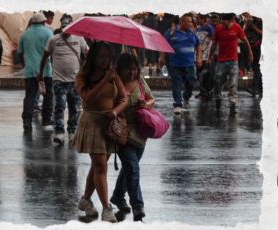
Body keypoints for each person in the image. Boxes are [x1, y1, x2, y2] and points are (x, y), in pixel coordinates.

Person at [73, 41, 127, 223]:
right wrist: (105, 79)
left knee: (97, 166)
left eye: (107, 57)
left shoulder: (113, 75)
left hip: (109, 124)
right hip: (91, 123)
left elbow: (123, 98)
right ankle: (106, 208)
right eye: (100, 56)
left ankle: (85, 200)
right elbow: (87, 98)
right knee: (100, 167)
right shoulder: (83, 75)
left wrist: (116, 111)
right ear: (93, 57)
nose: (104, 60)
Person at [110, 53, 154, 221]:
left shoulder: (140, 82)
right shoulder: (114, 83)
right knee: (133, 168)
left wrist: (146, 104)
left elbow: (151, 99)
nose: (132, 73)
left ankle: (117, 195)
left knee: (129, 167)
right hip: (122, 133)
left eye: (135, 69)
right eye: (128, 70)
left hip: (141, 133)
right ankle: (137, 205)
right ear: (120, 69)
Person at [39, 16, 88, 144]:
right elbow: (44, 57)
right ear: (61, 28)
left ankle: (72, 131)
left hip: (75, 81)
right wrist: (40, 75)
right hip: (59, 80)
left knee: (74, 108)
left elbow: (87, 54)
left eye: (69, 27)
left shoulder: (79, 39)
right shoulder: (53, 40)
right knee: (60, 107)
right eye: (64, 28)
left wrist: (87, 71)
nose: (66, 30)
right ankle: (60, 132)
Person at [208, 13, 253, 114]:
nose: (223, 24)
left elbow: (245, 40)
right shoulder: (218, 29)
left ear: (231, 21)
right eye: (222, 22)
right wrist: (209, 57)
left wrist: (250, 53)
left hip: (233, 60)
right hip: (220, 60)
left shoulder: (237, 28)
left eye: (225, 22)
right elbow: (214, 44)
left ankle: (232, 100)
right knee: (218, 80)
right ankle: (218, 97)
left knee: (233, 81)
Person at [17, 12, 54, 131]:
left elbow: (19, 53)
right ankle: (46, 119)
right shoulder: (48, 33)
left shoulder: (24, 34)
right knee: (48, 95)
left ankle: (27, 121)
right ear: (43, 22)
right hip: (46, 71)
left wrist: (25, 66)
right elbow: (52, 52)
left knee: (30, 96)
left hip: (30, 71)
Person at [160, 14, 202, 116]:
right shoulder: (172, 32)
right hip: (175, 64)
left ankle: (186, 97)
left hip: (189, 64)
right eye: (188, 22)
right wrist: (162, 57)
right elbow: (164, 44)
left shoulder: (192, 33)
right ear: (181, 22)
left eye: (191, 22)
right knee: (177, 84)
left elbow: (198, 45)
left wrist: (199, 58)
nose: (191, 24)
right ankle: (178, 105)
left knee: (190, 83)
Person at [242, 12, 263, 97]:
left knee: (257, 67)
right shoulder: (249, 21)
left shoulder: (262, 21)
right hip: (251, 48)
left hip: (259, 47)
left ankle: (256, 88)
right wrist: (247, 25)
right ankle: (259, 89)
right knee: (255, 68)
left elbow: (263, 34)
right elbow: (242, 34)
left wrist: (253, 27)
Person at [195, 14, 215, 101]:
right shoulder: (198, 29)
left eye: (198, 19)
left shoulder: (209, 28)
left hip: (206, 55)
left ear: (203, 19)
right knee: (199, 74)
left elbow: (213, 40)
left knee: (206, 75)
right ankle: (202, 92)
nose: (196, 20)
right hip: (199, 55)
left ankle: (207, 92)